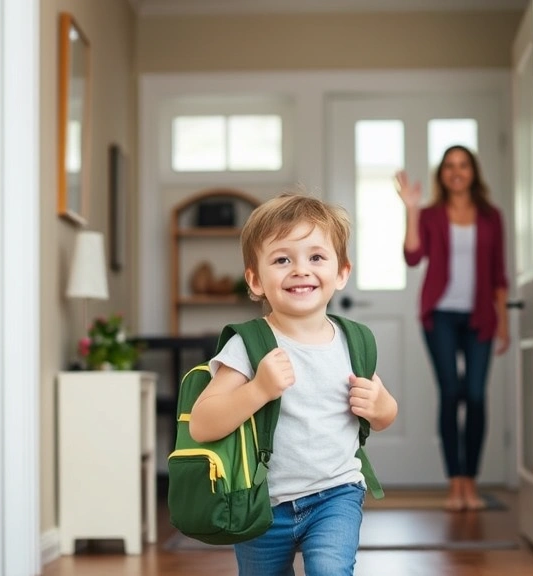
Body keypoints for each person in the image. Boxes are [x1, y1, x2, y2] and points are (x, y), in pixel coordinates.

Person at [189, 192, 399, 575]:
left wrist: (380, 404)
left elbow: (384, 416)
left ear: (341, 272)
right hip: (261, 503)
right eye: (282, 259)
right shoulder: (248, 345)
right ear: (255, 279)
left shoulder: (354, 341)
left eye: (316, 257)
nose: (300, 270)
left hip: (337, 494)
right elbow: (202, 424)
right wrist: (258, 390)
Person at [395, 145, 510, 512]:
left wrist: (504, 323)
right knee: (450, 393)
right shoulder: (430, 214)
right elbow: (413, 256)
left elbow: (498, 275)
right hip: (440, 316)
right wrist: (411, 210)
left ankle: (471, 482)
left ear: (473, 171)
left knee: (475, 395)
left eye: (463, 165)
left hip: (480, 317)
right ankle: (454, 484)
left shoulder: (491, 216)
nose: (456, 172)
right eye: (449, 166)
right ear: (442, 174)